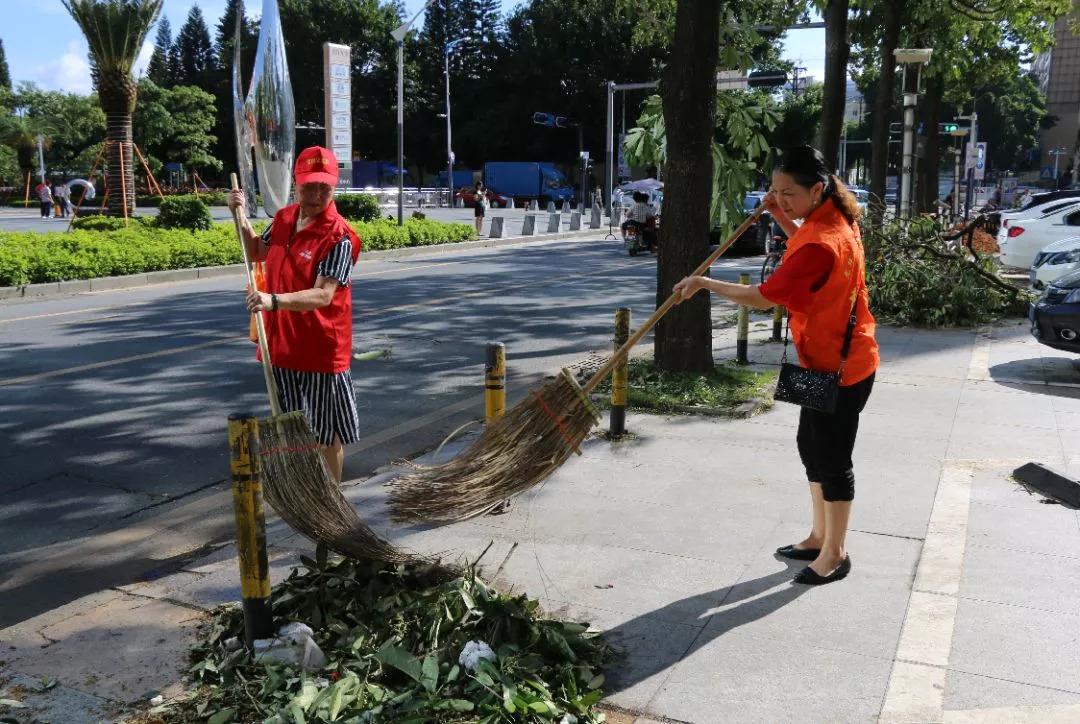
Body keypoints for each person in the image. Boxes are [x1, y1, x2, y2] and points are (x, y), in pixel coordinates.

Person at [673, 145, 878, 586]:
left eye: (788, 193)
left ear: (817, 190)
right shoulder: (831, 219)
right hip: (822, 361)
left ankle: (835, 553)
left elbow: (764, 298)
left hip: (842, 368)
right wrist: (779, 215)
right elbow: (803, 244)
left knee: (832, 459)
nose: (779, 198)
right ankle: (818, 537)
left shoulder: (824, 241)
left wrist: (704, 283)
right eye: (774, 190)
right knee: (811, 447)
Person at [228, 146, 362, 483]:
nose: (316, 195)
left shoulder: (339, 237)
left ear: (334, 187)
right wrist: (239, 216)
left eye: (324, 188)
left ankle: (330, 501)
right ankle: (303, 491)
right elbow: (255, 250)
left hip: (320, 350)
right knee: (289, 427)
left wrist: (272, 300)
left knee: (325, 433)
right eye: (308, 186)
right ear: (296, 183)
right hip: (281, 345)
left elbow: (323, 294)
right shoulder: (285, 219)